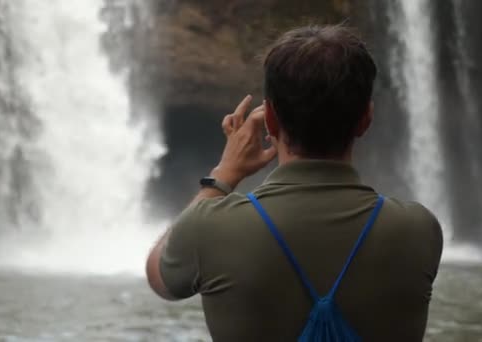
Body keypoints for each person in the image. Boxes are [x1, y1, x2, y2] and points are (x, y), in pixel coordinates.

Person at [145, 25, 443, 341]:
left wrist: (223, 175)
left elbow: (159, 275)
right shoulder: (419, 229)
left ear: (270, 119)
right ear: (366, 119)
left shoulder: (209, 228)